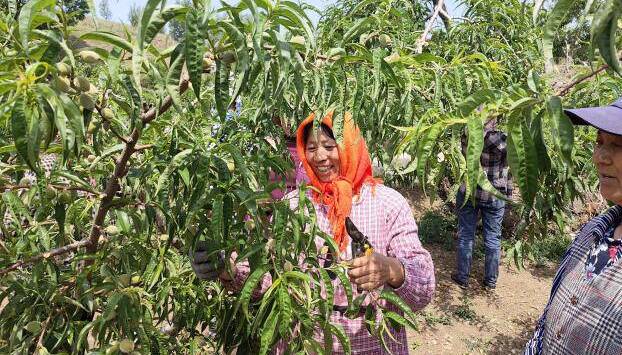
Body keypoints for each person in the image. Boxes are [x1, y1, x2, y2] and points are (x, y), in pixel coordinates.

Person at [191, 112, 435, 353]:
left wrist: (392, 269)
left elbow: (423, 288)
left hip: (372, 345)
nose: (320, 157)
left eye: (330, 146)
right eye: (311, 148)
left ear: (349, 145)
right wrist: (229, 269)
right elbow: (272, 276)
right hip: (307, 344)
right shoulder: (293, 206)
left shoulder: (387, 204)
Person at [525, 98, 622, 354]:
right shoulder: (595, 232)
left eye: (618, 145)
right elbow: (545, 327)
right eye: (599, 142)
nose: (600, 157)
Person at [452, 118, 512, 290]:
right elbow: (510, 165)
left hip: (469, 192)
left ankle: (462, 277)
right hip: (494, 194)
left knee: (466, 235)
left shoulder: (466, 136)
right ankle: (490, 280)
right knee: (493, 238)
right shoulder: (502, 140)